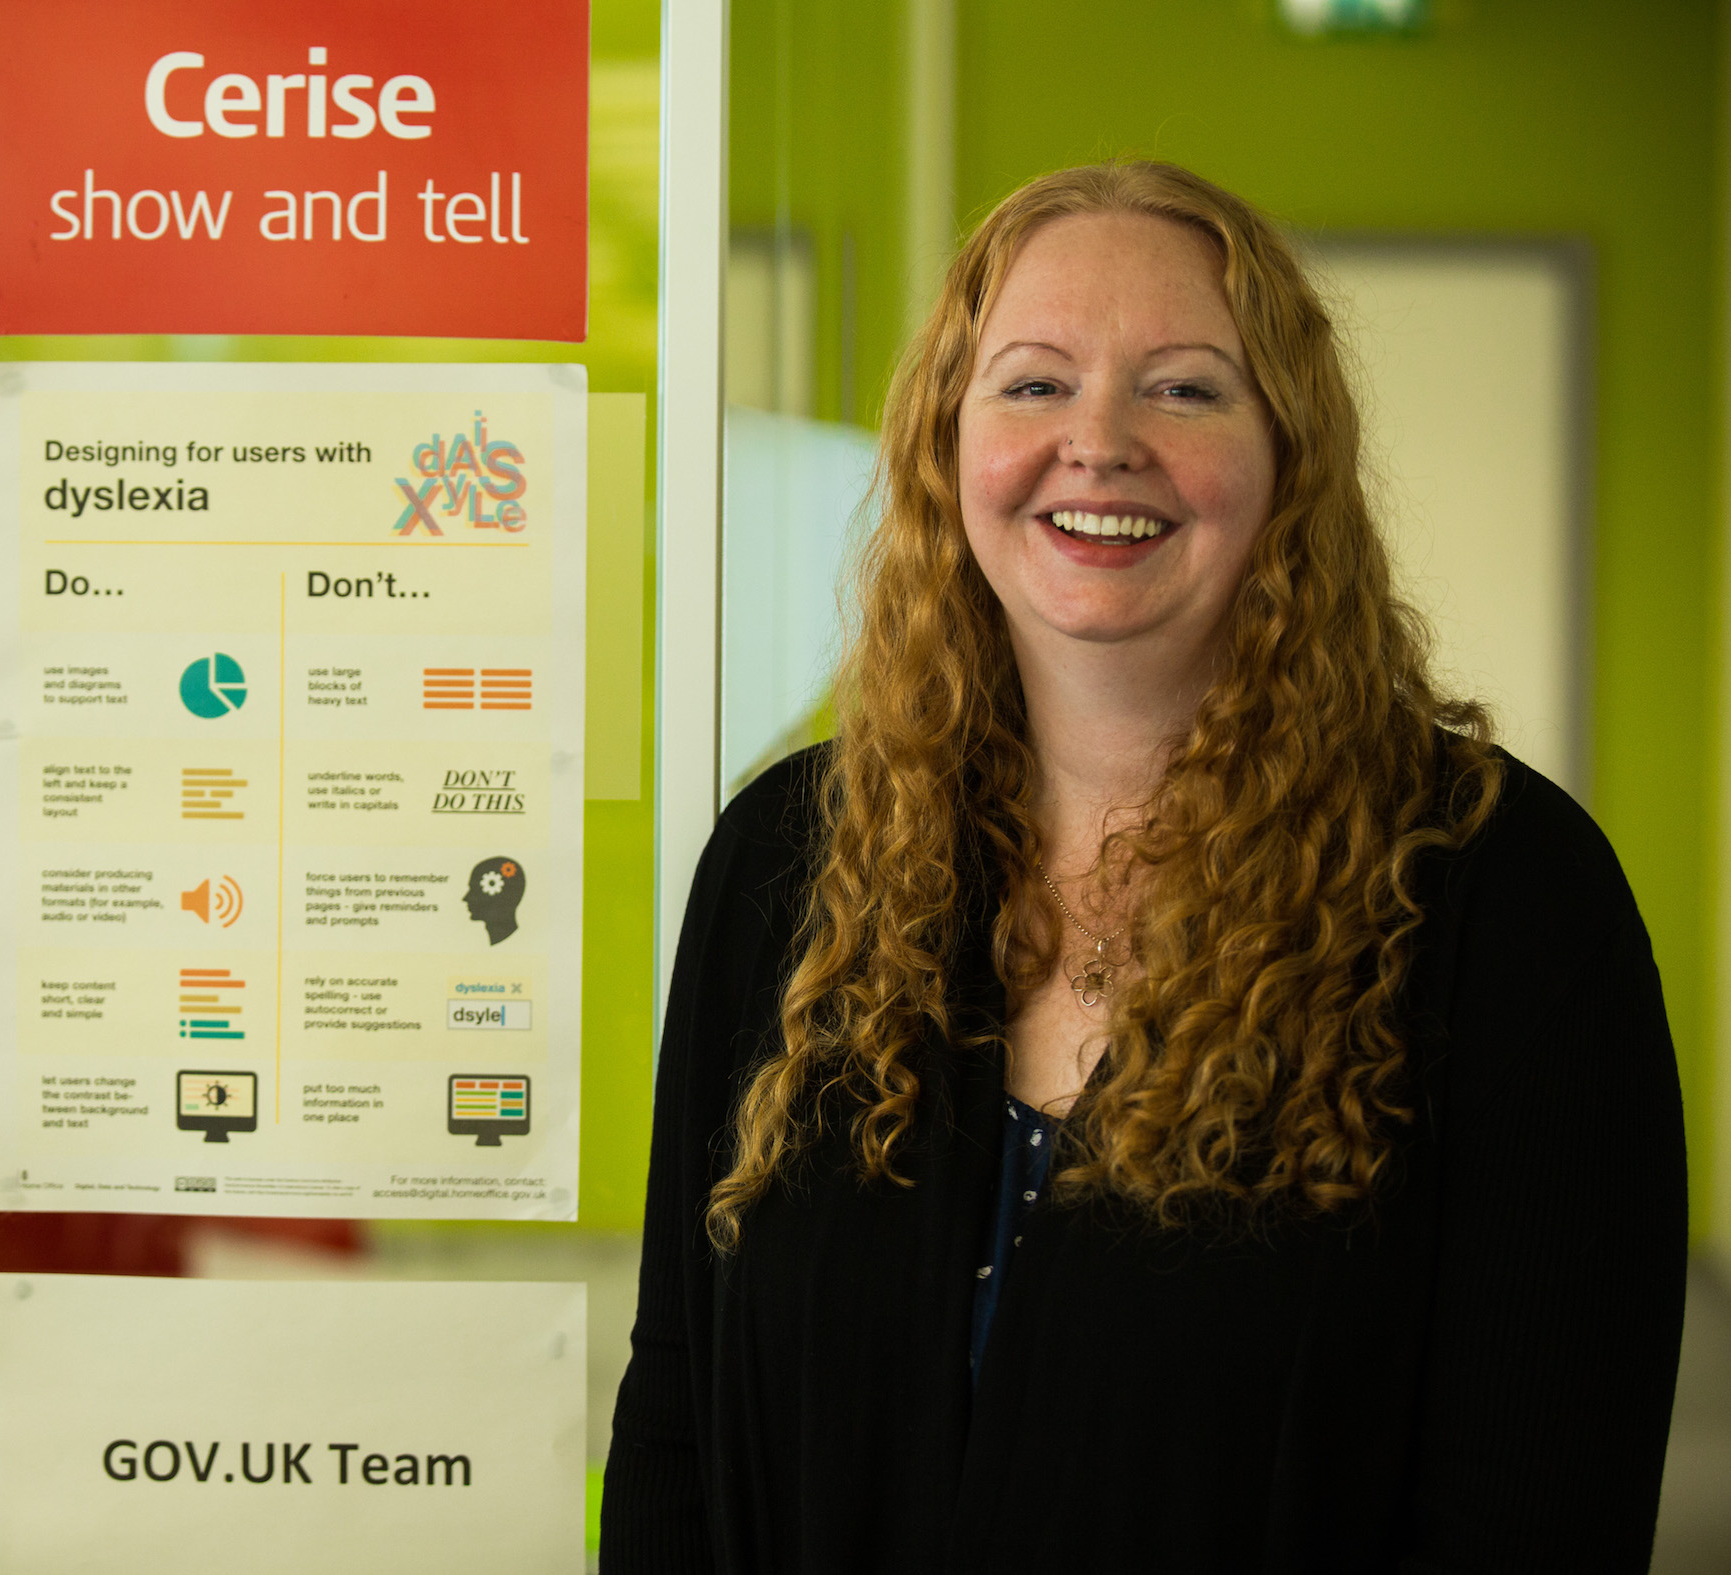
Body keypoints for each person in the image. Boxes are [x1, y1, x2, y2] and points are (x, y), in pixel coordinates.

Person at [602, 161, 1685, 1573]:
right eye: (1032, 384)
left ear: (1287, 457)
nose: (1096, 441)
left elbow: (1544, 1497)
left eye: (1182, 388)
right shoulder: (784, 863)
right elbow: (679, 1414)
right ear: (944, 446)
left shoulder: (1499, 892)